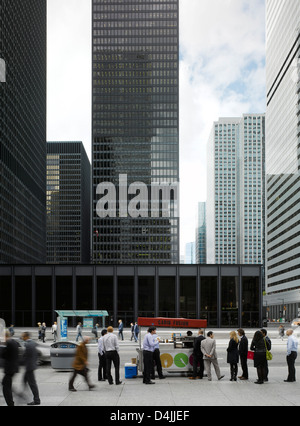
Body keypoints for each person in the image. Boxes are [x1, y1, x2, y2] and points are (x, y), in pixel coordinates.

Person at [21, 332, 41, 405]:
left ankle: (36, 400)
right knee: (24, 380)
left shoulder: (28, 344)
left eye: (23, 336)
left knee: (32, 384)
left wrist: (18, 363)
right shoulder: (33, 343)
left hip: (29, 367)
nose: (22, 338)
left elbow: (25, 356)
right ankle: (22, 394)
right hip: (31, 366)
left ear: (26, 337)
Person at [1, 331, 19, 406]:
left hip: (10, 369)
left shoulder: (9, 343)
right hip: (13, 368)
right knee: (6, 384)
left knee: (6, 387)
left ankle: (10, 403)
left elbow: (3, 354)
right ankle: (11, 402)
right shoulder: (14, 342)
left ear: (5, 336)